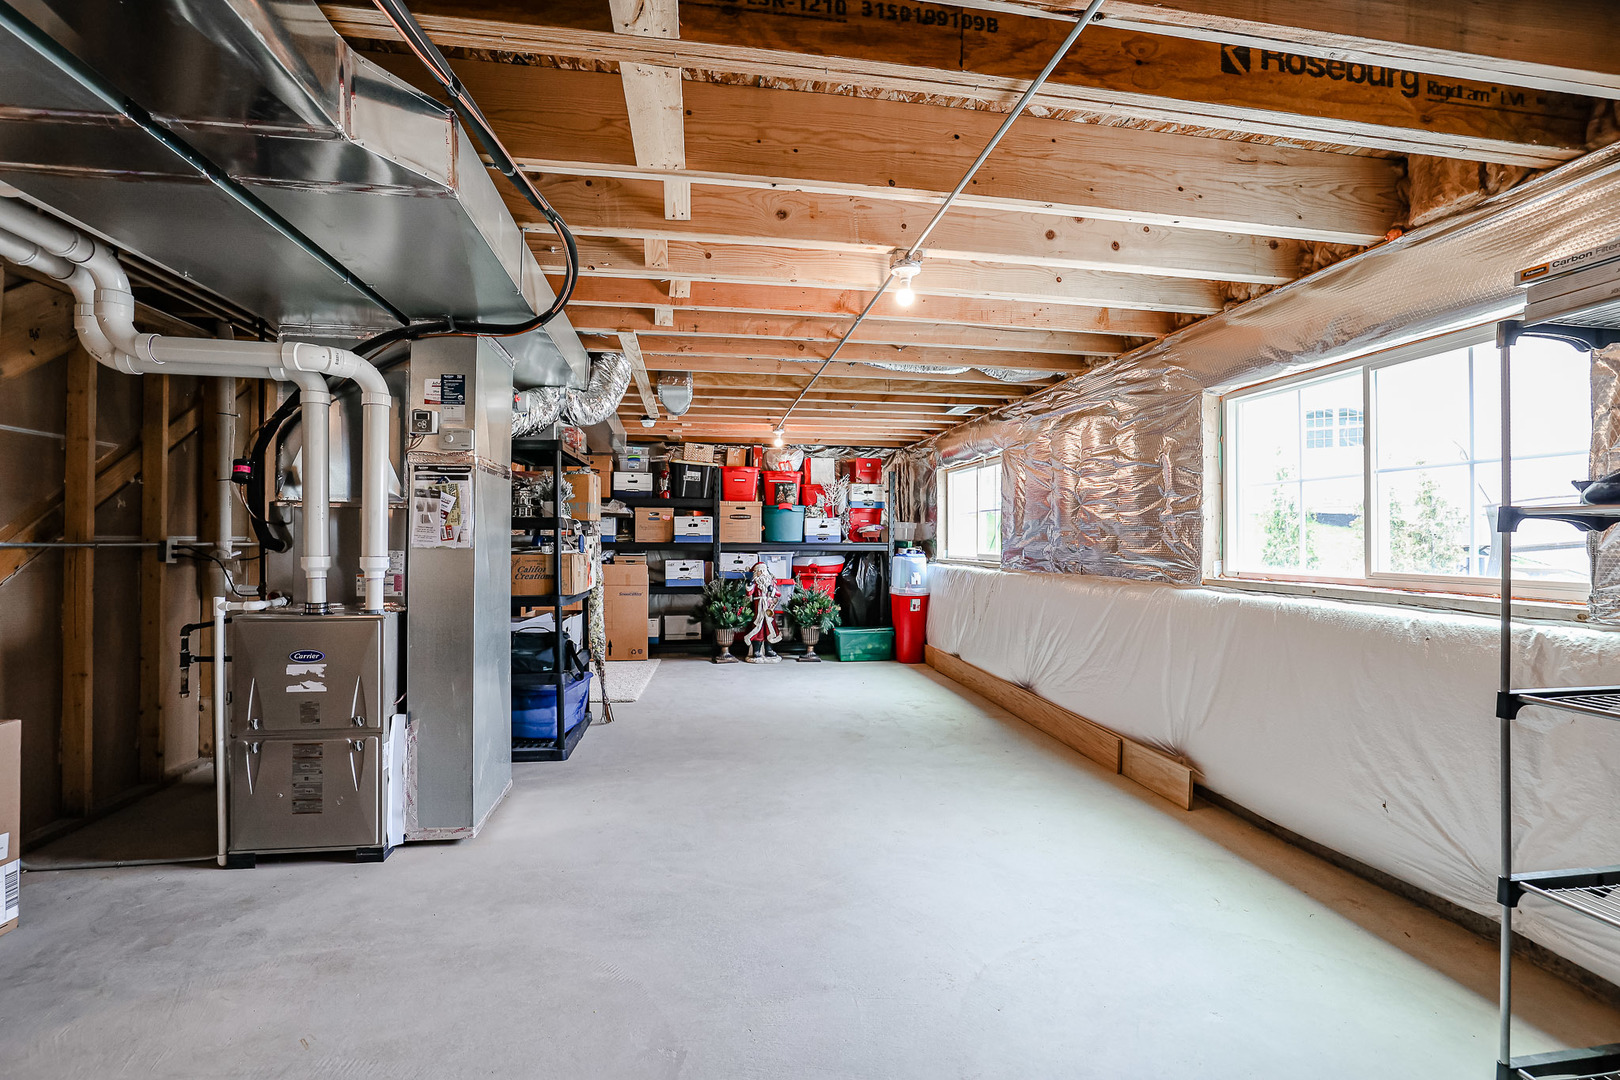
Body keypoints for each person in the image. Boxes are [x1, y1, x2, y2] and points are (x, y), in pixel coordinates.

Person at [743, 560, 782, 663]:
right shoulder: (755, 582)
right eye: (759, 571)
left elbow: (778, 593)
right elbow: (749, 593)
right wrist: (749, 584)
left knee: (770, 628)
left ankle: (769, 649)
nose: (762, 573)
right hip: (759, 609)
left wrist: (772, 590)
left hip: (769, 609)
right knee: (758, 628)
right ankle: (756, 650)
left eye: (763, 571)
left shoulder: (771, 582)